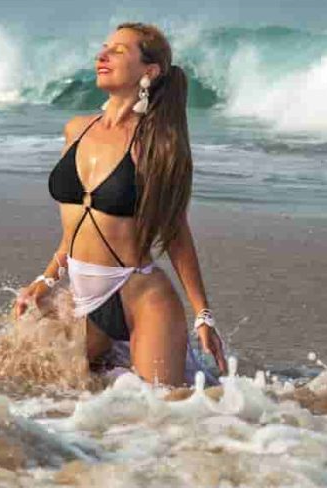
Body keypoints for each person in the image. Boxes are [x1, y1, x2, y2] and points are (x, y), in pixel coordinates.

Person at [13, 22, 225, 386]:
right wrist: (46, 278)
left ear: (149, 71)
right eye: (104, 48)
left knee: (161, 410)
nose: (102, 55)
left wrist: (202, 315)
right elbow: (79, 221)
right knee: (21, 378)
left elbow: (175, 232)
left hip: (141, 299)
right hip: (85, 300)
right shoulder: (76, 129)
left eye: (119, 51)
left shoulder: (158, 145)